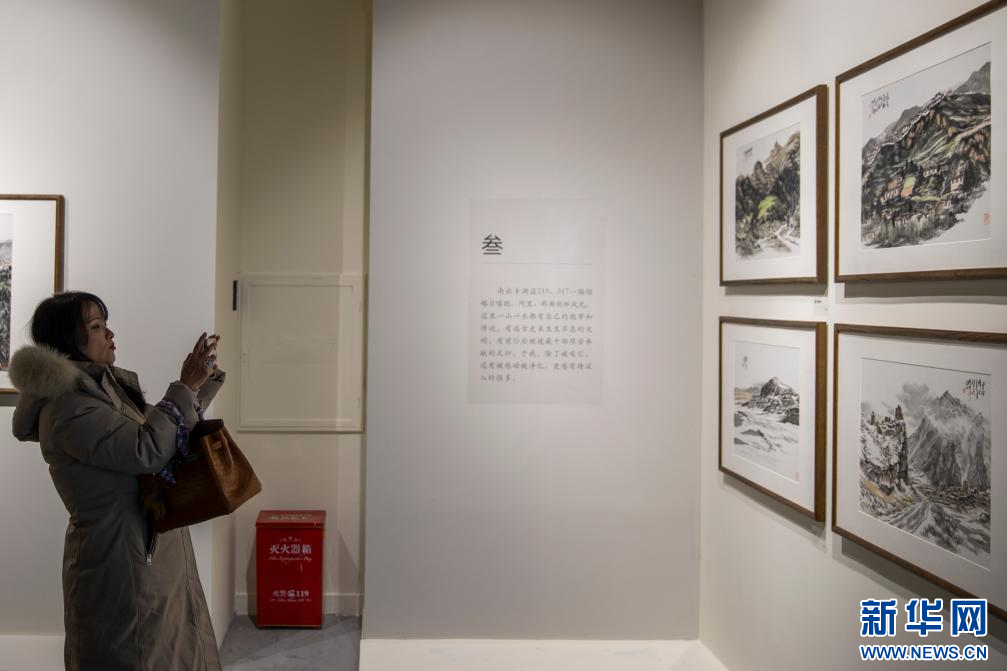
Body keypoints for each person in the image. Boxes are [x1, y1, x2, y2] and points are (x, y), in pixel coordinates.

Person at [10, 291, 225, 671]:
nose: (110, 334)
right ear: (67, 339)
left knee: (162, 651)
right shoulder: (69, 408)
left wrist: (199, 383)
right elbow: (147, 450)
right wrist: (184, 386)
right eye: (96, 326)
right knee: (133, 653)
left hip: (140, 547)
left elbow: (165, 430)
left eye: (106, 324)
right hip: (121, 557)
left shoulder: (102, 395)